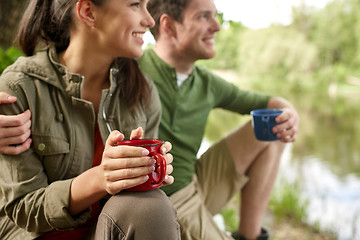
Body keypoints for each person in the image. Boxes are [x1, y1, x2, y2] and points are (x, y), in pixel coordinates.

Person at [0, 0, 180, 239]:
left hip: (104, 231)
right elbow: (23, 211)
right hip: (35, 235)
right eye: (136, 5)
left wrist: (147, 173)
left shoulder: (142, 91)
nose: (150, 20)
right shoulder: (19, 87)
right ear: (88, 12)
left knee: (150, 204)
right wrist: (100, 178)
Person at [137, 0, 300, 239]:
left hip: (196, 183)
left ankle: (249, 235)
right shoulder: (132, 70)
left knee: (274, 124)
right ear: (169, 26)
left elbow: (267, 102)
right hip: (162, 201)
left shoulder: (207, 83)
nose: (217, 27)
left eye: (216, 16)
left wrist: (289, 112)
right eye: (204, 17)